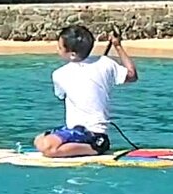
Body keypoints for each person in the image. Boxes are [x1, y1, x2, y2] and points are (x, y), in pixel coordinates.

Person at [33, 25, 139, 158]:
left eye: (60, 47)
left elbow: (61, 95)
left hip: (93, 133)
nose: (57, 50)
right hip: (74, 130)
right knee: (38, 140)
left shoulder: (59, 74)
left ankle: (96, 146)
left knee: (48, 148)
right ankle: (87, 145)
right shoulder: (105, 63)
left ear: (72, 54)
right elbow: (132, 75)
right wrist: (118, 46)